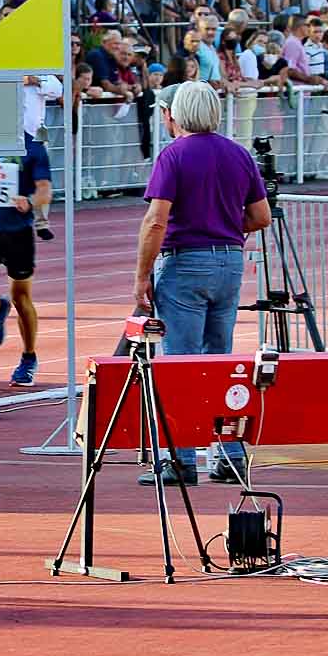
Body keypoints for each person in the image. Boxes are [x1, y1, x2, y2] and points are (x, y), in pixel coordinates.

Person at [134, 81, 270, 486]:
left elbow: (156, 220)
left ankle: (181, 457)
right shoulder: (238, 154)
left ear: (174, 115)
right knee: (220, 360)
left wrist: (141, 274)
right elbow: (261, 216)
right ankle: (229, 456)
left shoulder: (173, 156)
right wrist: (229, 230)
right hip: (228, 260)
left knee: (180, 364)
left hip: (185, 261)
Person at [0, 130, 54, 386]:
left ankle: (28, 357)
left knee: (22, 298)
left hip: (19, 233)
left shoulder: (33, 147)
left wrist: (30, 201)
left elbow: (45, 192)